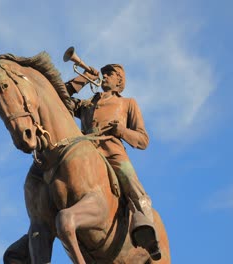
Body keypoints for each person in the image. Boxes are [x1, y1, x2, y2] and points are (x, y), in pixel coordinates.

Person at [64, 64, 161, 260]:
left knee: (129, 178)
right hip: (85, 151)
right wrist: (83, 78)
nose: (105, 76)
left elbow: (143, 140)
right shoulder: (88, 103)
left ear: (119, 80)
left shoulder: (127, 103)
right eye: (104, 73)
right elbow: (61, 98)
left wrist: (122, 131)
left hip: (112, 150)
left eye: (110, 74)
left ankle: (145, 225)